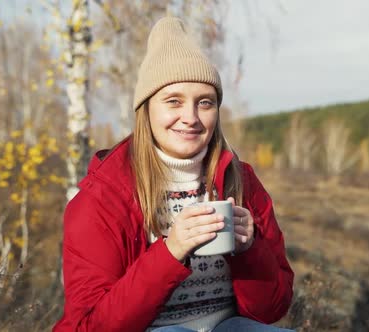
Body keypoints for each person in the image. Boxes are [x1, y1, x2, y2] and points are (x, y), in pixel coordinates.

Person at [53, 16, 294, 332]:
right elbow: (91, 327)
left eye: (204, 102)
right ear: (147, 110)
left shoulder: (242, 182)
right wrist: (170, 252)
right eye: (173, 101)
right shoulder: (102, 198)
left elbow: (271, 310)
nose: (191, 117)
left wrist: (250, 251)